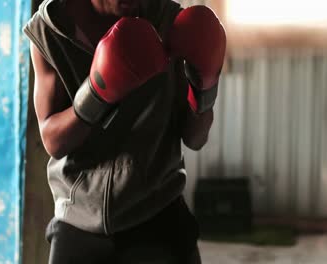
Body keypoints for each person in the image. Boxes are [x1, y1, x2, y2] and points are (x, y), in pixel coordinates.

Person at [23, 0, 226, 263]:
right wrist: (97, 93)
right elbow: (53, 140)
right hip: (80, 216)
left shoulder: (170, 21)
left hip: (158, 212)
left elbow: (195, 138)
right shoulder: (50, 29)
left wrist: (205, 88)